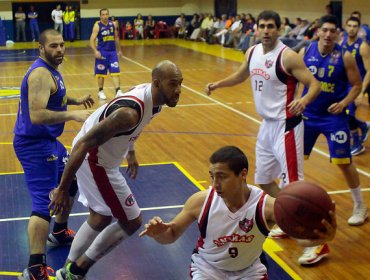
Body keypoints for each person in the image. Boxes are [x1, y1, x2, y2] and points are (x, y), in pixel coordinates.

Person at [48, 60, 183, 280]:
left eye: (180, 84)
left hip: (99, 156)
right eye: (173, 84)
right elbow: (84, 144)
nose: (178, 90)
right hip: (94, 160)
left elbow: (132, 129)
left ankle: (68, 270)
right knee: (132, 221)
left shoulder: (154, 98)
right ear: (157, 83)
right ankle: (78, 270)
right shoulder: (130, 113)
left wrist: (130, 151)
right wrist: (63, 188)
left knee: (100, 217)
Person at [140, 146, 337, 279]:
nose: (215, 184)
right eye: (212, 176)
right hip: (208, 269)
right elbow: (171, 235)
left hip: (249, 271)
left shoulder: (266, 206)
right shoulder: (201, 201)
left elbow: (301, 239)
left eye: (222, 177)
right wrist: (159, 234)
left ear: (243, 174)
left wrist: (323, 237)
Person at [206, 10, 321, 198]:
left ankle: (296, 223)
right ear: (257, 29)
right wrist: (218, 84)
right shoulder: (253, 52)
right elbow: (241, 75)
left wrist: (304, 100)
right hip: (266, 125)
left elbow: (315, 84)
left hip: (287, 126)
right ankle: (283, 212)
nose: (266, 31)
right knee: (264, 179)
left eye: (270, 26)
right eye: (262, 26)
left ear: (279, 29)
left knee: (293, 184)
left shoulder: (287, 56)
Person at [13, 29, 94, 280]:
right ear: (41, 48)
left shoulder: (52, 71)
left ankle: (58, 231)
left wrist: (76, 100)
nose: (59, 50)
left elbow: (56, 95)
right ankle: (35, 268)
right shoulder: (39, 73)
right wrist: (72, 114)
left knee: (71, 181)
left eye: (61, 45)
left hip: (49, 142)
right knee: (44, 202)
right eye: (53, 46)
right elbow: (37, 115)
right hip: (34, 144)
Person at [299, 14, 368, 265]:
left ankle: (360, 205)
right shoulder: (306, 50)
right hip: (308, 114)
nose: (328, 35)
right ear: (318, 32)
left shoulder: (346, 56)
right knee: (295, 160)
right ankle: (291, 210)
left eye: (332, 32)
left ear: (337, 35)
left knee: (342, 161)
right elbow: (299, 80)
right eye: (324, 30)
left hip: (333, 117)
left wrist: (345, 103)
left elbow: (357, 85)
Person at [341, 16, 370, 155]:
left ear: (358, 29)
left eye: (355, 26)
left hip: (356, 85)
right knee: (342, 113)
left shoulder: (363, 46)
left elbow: (369, 70)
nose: (352, 28)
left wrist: (361, 92)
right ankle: (363, 125)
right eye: (349, 25)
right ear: (346, 27)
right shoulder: (342, 43)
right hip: (343, 84)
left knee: (348, 114)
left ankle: (357, 144)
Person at [89, 8, 123, 100]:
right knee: (101, 73)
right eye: (103, 14)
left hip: (112, 52)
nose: (104, 16)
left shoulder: (113, 24)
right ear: (100, 16)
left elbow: (116, 37)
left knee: (115, 71)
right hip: (102, 52)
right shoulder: (97, 26)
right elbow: (91, 40)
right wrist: (95, 51)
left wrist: (119, 50)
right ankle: (100, 91)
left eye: (106, 14)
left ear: (108, 15)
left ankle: (118, 91)